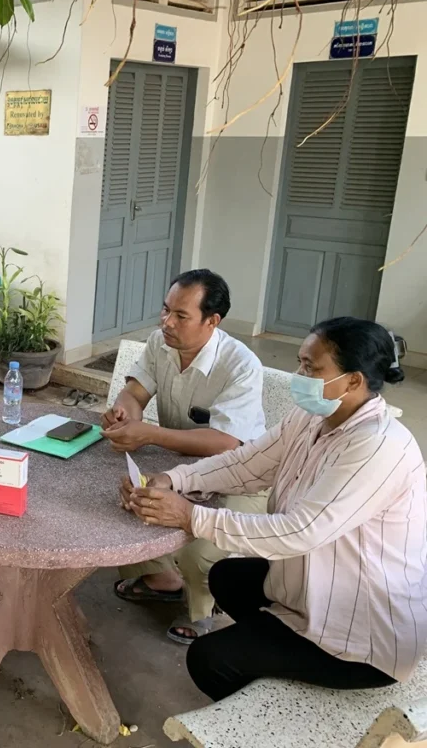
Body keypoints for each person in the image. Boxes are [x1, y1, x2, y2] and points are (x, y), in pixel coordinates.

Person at [125, 316, 425, 700]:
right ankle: (274, 655)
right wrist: (173, 479)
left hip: (362, 632)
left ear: (353, 381)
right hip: (320, 585)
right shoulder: (313, 417)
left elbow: (300, 531)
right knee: (226, 577)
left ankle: (276, 695)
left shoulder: (379, 446)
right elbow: (247, 463)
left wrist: (189, 516)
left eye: (311, 368)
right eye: (301, 363)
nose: (299, 376)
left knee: (209, 659)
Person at [103, 269, 267, 644]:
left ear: (212, 321)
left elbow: (226, 443)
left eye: (181, 315)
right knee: (127, 500)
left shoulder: (240, 364)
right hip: (178, 464)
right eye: (166, 310)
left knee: (202, 547)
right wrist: (125, 414)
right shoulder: (159, 343)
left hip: (241, 475)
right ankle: (163, 580)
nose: (167, 322)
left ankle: (203, 611)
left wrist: (148, 434)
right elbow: (135, 392)